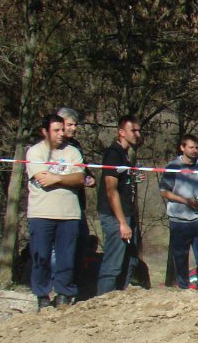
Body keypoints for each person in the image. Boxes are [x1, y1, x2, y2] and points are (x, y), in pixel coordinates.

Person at [26, 114, 85, 311]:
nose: (61, 133)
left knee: (67, 257)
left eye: (62, 129)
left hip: (69, 214)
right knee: (40, 256)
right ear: (45, 132)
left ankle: (64, 294)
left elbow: (80, 178)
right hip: (41, 213)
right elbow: (43, 179)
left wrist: (57, 178)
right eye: (56, 130)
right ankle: (42, 296)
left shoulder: (73, 152)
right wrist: (66, 177)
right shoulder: (35, 152)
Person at [97, 114, 143, 294]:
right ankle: (103, 301)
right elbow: (111, 190)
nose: (137, 134)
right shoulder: (113, 154)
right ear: (122, 132)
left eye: (139, 130)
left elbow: (123, 183)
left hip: (128, 214)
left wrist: (133, 178)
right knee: (113, 264)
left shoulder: (125, 155)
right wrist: (122, 222)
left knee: (130, 261)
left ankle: (120, 299)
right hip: (115, 216)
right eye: (133, 130)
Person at [159, 134, 198, 290]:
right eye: (191, 147)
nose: (194, 150)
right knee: (180, 257)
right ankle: (183, 286)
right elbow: (164, 191)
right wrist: (185, 201)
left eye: (196, 147)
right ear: (182, 148)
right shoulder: (173, 167)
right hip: (179, 220)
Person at [57, 107, 96, 288]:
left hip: (77, 203)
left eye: (75, 125)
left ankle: (72, 284)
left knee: (80, 242)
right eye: (70, 125)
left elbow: (82, 169)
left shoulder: (76, 146)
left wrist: (89, 178)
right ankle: (57, 285)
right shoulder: (47, 147)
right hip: (56, 204)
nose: (74, 128)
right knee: (59, 247)